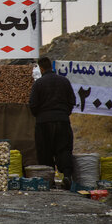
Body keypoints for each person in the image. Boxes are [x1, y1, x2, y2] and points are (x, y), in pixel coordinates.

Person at [29, 56, 76, 189]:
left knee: (45, 152)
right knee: (64, 149)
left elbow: (33, 105)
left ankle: (49, 181)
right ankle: (67, 176)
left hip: (43, 122)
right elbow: (72, 101)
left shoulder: (38, 84)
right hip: (62, 121)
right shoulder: (64, 81)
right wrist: (63, 114)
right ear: (51, 67)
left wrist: (40, 116)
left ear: (41, 68)